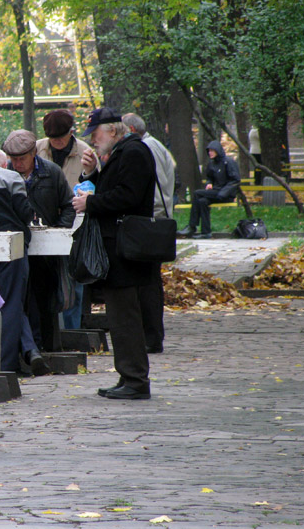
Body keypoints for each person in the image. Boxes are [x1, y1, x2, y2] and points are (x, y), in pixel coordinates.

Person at [73, 107, 157, 400]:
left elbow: (128, 197)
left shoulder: (133, 152)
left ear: (111, 130)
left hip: (126, 250)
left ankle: (135, 380)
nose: (92, 141)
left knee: (126, 318)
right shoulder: (124, 152)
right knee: (120, 318)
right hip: (120, 249)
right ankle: (128, 376)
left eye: (94, 134)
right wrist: (92, 175)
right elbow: (116, 189)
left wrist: (91, 203)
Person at [2, 129, 75, 355]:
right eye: (13, 159)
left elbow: (69, 205)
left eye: (22, 159)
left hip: (46, 250)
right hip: (18, 247)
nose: (17, 164)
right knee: (22, 299)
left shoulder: (51, 172)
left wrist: (58, 232)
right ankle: (28, 349)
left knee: (47, 298)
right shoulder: (5, 173)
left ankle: (48, 347)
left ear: (34, 152)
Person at [0, 149, 48, 375]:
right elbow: (24, 212)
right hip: (12, 247)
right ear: (4, 165)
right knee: (11, 302)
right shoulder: (11, 177)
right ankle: (8, 363)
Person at [36, 109, 99, 330]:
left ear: (71, 132)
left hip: (75, 226)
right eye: (53, 139)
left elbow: (95, 185)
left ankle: (72, 332)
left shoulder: (85, 152)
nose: (57, 142)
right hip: (43, 227)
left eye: (61, 138)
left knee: (73, 283)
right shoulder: (36, 149)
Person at [122, 113, 176, 354]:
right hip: (154, 220)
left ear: (131, 129)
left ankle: (152, 337)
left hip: (150, 222)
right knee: (150, 282)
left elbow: (153, 188)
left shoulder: (145, 148)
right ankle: (152, 336)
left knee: (149, 284)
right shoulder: (155, 145)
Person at [177, 140, 241, 239]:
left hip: (226, 194)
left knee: (197, 193)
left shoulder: (228, 162)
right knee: (202, 201)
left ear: (218, 151)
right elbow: (210, 177)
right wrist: (209, 183)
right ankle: (206, 232)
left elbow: (235, 180)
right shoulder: (212, 163)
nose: (210, 153)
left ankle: (192, 226)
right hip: (215, 192)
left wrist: (223, 193)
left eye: (212, 151)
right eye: (209, 151)